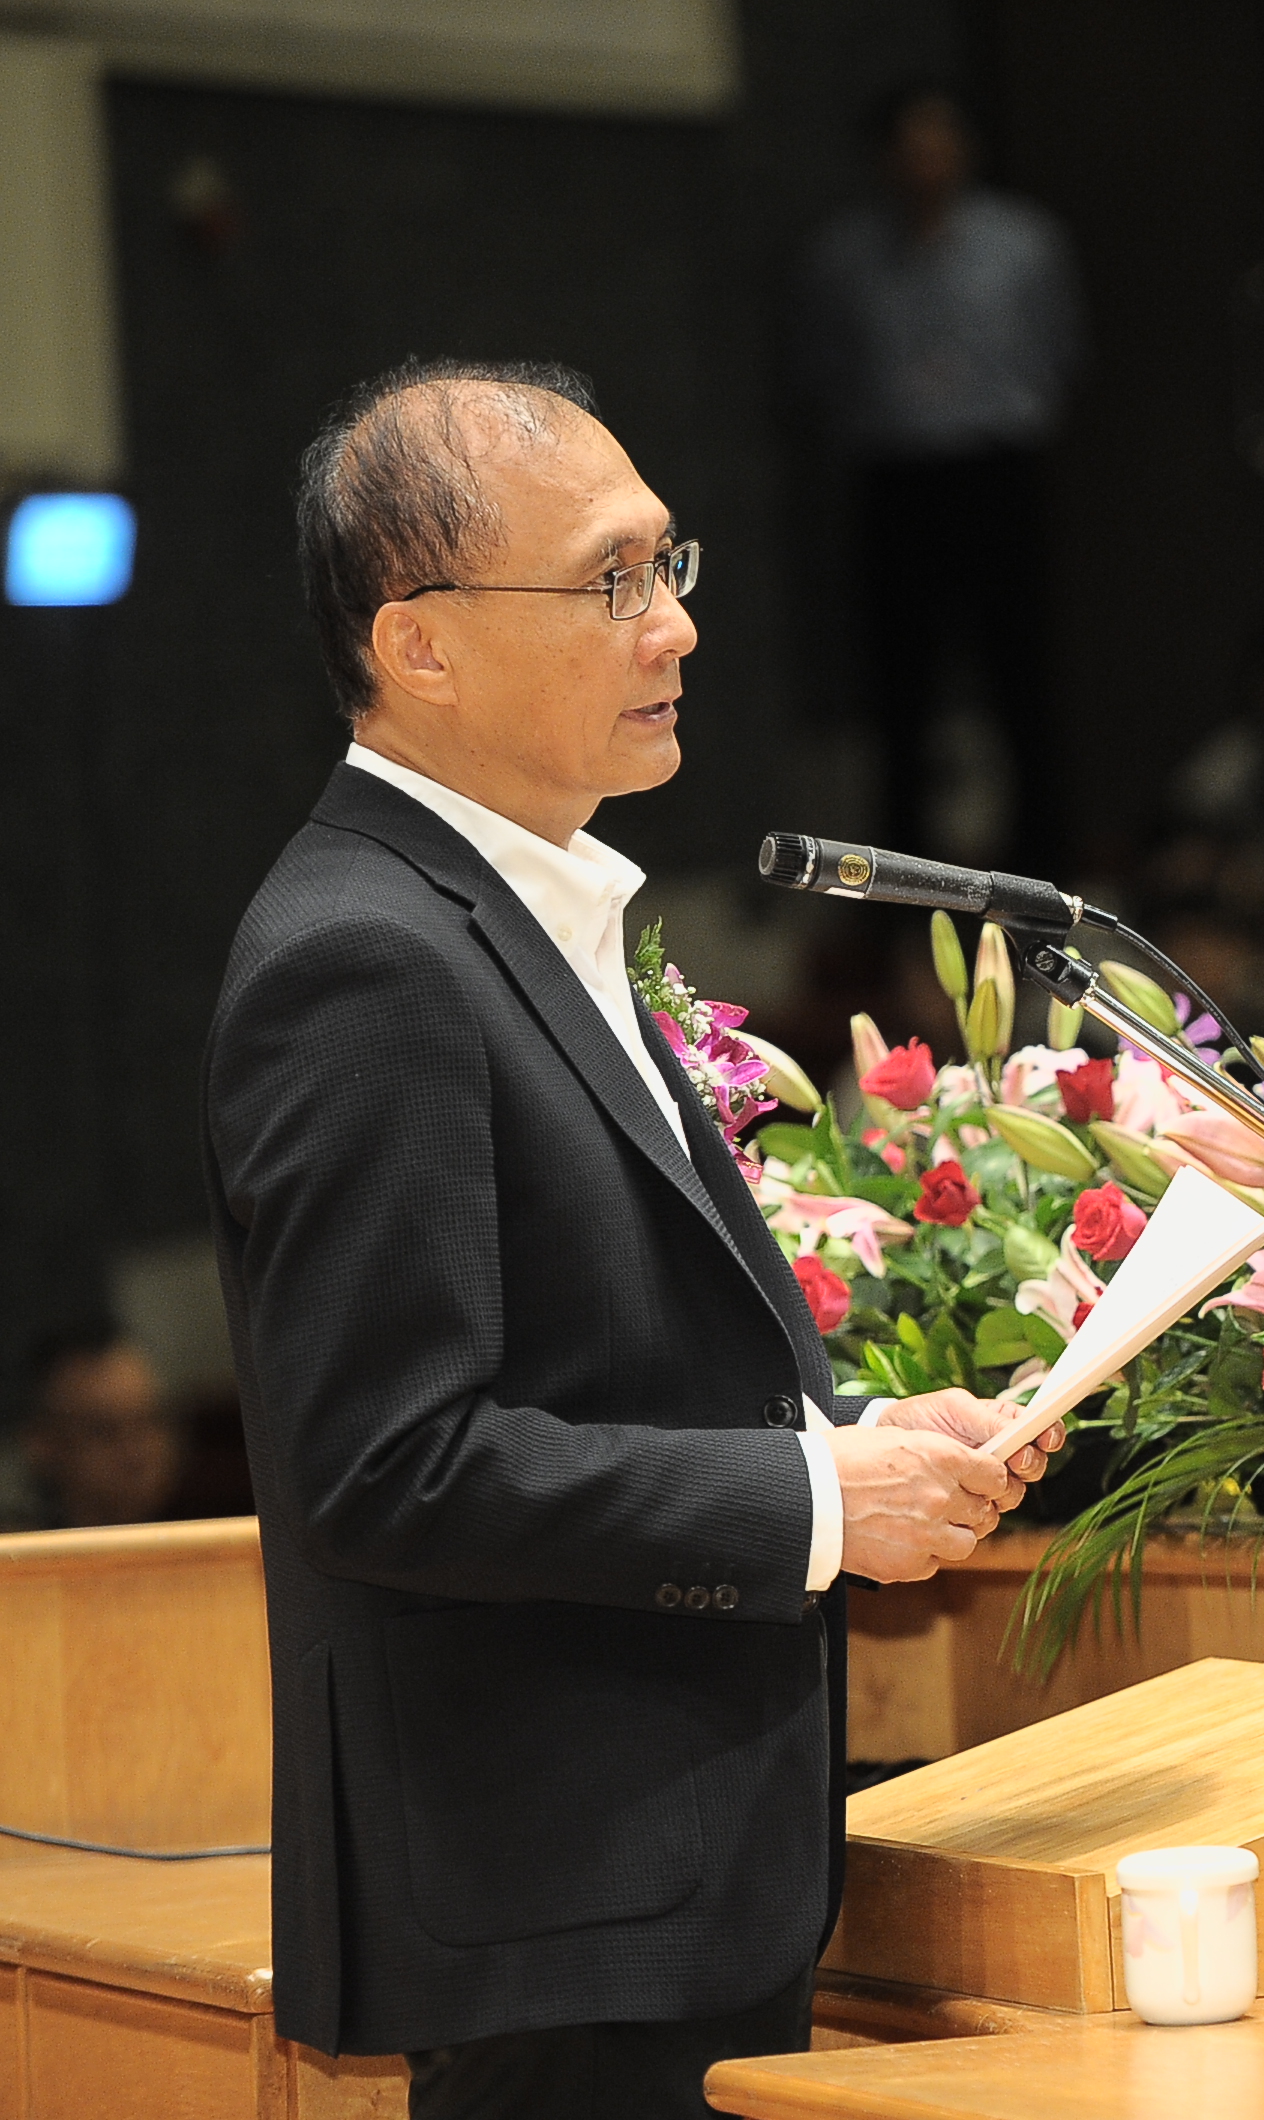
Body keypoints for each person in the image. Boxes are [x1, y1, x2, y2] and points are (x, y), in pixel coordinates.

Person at [213, 359, 1063, 2111]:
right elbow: (389, 1464)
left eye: (672, 566)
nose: (670, 627)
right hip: (553, 1904)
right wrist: (817, 1509)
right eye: (609, 581)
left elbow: (604, 1361)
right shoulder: (365, 957)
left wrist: (848, 1441)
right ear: (419, 643)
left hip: (649, 1890)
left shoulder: (521, 904)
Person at [801, 86, 1085, 866]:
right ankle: (898, 881)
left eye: (940, 140)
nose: (926, 159)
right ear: (884, 157)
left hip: (996, 470)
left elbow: (1060, 351)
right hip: (895, 478)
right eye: (909, 144)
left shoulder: (1024, 243)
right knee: (900, 692)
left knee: (1021, 675)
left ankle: (1047, 863)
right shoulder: (845, 257)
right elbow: (825, 371)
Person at [0, 1321, 181, 1532]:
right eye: (104, 1432)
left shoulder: (209, 1531)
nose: (136, 1454)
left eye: (150, 1422)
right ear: (44, 1444)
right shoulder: (19, 1553)